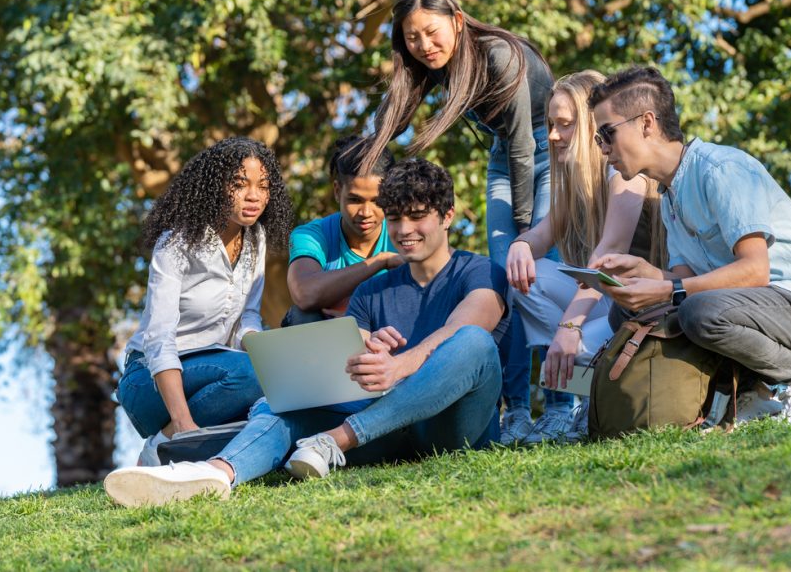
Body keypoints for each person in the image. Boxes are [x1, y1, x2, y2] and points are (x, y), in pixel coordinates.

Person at [103, 158, 509, 507]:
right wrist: (367, 356)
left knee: (473, 343)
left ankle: (337, 439)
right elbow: (351, 379)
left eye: (418, 216)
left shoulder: (479, 271)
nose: (405, 230)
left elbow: (467, 327)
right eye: (397, 217)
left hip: (453, 430)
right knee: (284, 404)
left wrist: (399, 366)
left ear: (448, 216)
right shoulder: (370, 291)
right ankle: (212, 474)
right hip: (389, 433)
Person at [588, 66, 791, 424]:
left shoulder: (720, 169)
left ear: (646, 123)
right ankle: (749, 396)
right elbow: (686, 280)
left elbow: (754, 271)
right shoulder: (670, 195)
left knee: (700, 312)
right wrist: (647, 276)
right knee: (627, 310)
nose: (603, 148)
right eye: (598, 138)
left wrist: (668, 287)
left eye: (607, 133)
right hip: (759, 309)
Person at [357, 0, 556, 442]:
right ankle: (518, 411)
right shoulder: (436, 68)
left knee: (536, 272)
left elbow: (526, 144)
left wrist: (527, 233)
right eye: (412, 37)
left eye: (431, 32)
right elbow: (394, 115)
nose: (423, 45)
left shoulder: (500, 55)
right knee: (506, 280)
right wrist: (369, 153)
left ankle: (561, 406)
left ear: (458, 21)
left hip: (547, 151)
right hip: (503, 158)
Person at [506, 70, 665, 443]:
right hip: (608, 302)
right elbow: (541, 236)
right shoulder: (573, 183)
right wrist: (521, 246)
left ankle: (590, 401)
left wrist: (568, 329)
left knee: (569, 349)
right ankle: (585, 402)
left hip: (642, 307)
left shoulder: (624, 175)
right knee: (529, 279)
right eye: (550, 125)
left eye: (565, 125)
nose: (553, 136)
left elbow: (607, 260)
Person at [116, 137, 294, 467]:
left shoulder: (256, 239)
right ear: (215, 186)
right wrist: (182, 425)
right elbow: (158, 340)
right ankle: (167, 442)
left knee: (274, 376)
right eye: (240, 184)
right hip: (148, 381)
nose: (254, 196)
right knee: (253, 374)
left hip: (215, 374)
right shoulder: (176, 243)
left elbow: (248, 317)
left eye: (263, 186)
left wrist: (265, 351)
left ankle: (165, 448)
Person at [283, 136, 402, 326]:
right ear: (338, 191)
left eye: (377, 201)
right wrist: (380, 261)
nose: (366, 213)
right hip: (329, 340)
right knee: (302, 315)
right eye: (355, 200)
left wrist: (357, 317)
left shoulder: (405, 234)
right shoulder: (311, 235)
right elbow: (305, 294)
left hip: (389, 336)